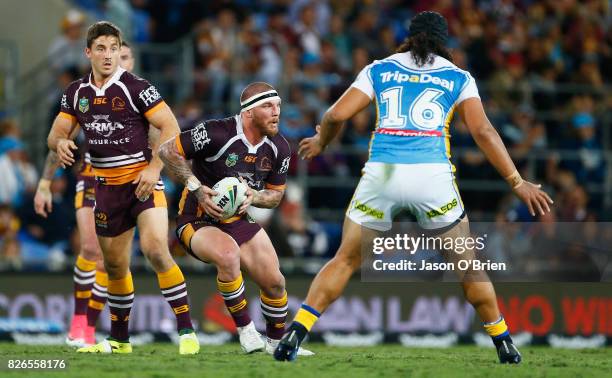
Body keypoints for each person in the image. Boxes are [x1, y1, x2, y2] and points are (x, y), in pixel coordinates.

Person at [274, 11, 553, 364]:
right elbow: (483, 132)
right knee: (467, 266)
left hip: (383, 174)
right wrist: (517, 182)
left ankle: (294, 335)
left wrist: (321, 142)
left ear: (409, 37)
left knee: (345, 259)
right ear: (443, 42)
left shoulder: (379, 68)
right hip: (431, 176)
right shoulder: (458, 77)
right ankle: (504, 343)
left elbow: (335, 115)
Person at [47, 21, 199, 355]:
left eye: (113, 48)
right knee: (114, 266)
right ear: (88, 52)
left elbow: (171, 125)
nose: (108, 55)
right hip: (105, 189)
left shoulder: (136, 87)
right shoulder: (76, 93)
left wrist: (154, 167)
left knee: (156, 249)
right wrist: (59, 143)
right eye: (100, 48)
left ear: (120, 52)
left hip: (143, 183)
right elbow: (56, 133)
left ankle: (187, 331)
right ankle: (119, 339)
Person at [159, 82, 311, 356]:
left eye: (278, 105)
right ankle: (246, 330)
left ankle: (277, 344)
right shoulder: (216, 132)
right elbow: (167, 151)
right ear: (249, 113)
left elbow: (275, 197)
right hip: (197, 218)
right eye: (268, 106)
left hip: (238, 219)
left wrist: (255, 197)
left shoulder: (280, 147)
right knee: (229, 256)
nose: (276, 112)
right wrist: (195, 187)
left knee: (275, 282)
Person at [34, 41, 138, 348]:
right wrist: (44, 183)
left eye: (125, 56)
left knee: (113, 262)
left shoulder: (143, 98)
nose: (118, 59)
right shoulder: (86, 96)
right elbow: (61, 140)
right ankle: (80, 322)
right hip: (93, 179)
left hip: (128, 187)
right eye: (113, 54)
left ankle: (90, 327)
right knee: (91, 248)